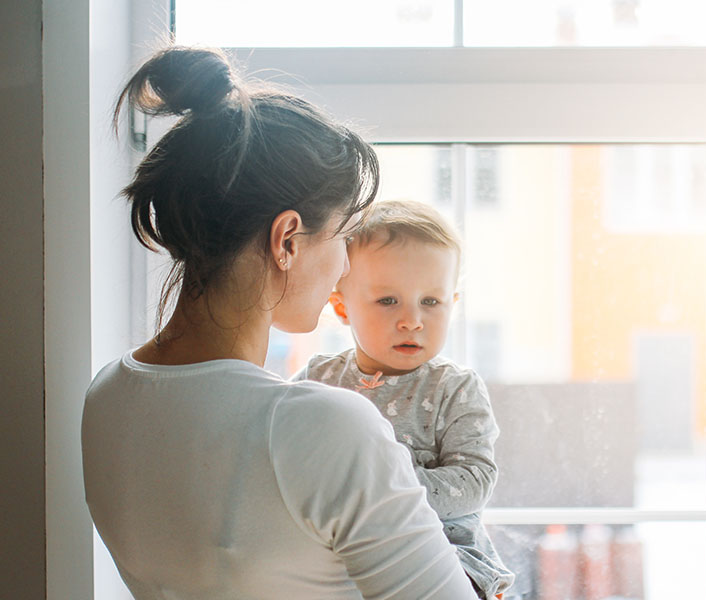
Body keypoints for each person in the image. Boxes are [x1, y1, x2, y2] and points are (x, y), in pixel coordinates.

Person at [81, 46, 479, 600]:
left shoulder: (106, 395)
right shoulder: (321, 426)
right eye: (344, 236)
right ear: (287, 239)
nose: (343, 264)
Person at [296, 200, 515, 599]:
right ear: (341, 306)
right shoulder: (318, 379)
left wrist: (386, 489)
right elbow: (277, 446)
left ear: (453, 305)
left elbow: (475, 482)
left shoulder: (455, 388)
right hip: (337, 554)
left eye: (430, 302)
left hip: (444, 553)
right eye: (388, 301)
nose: (412, 320)